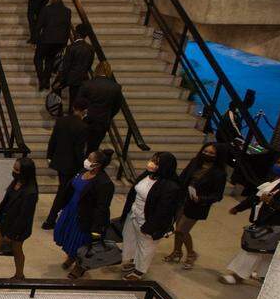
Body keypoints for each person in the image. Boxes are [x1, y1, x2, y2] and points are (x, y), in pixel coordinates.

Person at [219, 154, 280, 285]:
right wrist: (239, 208)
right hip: (266, 222)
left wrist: (274, 203)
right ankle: (263, 275)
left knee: (252, 248)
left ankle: (237, 275)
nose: (279, 166)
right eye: (278, 162)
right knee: (267, 252)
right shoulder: (274, 180)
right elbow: (256, 197)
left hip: (277, 226)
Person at [165, 142, 230, 269]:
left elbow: (217, 195)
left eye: (211, 153)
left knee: (182, 230)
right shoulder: (195, 162)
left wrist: (201, 199)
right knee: (178, 229)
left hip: (197, 205)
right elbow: (183, 177)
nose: (207, 154)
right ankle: (177, 251)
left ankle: (191, 254)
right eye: (205, 151)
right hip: (183, 200)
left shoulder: (219, 173)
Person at [119, 152, 182, 281]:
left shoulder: (170, 186)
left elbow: (163, 211)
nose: (151, 163)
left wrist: (149, 226)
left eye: (156, 162)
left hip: (149, 220)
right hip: (134, 214)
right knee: (131, 239)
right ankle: (133, 261)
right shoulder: (147, 175)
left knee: (146, 246)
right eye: (152, 160)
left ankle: (139, 271)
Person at [55, 149, 115, 279]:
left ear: (97, 164)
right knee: (68, 236)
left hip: (85, 217)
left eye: (90, 159)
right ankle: (71, 256)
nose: (86, 161)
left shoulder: (104, 183)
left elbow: (102, 207)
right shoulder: (83, 172)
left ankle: (80, 266)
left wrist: (97, 227)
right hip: (71, 210)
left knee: (81, 243)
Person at [0, 157, 38, 279]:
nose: (13, 170)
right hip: (5, 221)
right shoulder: (16, 182)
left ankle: (19, 275)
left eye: (16, 169)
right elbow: (6, 202)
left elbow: (24, 216)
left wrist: (11, 234)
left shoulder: (30, 192)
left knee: (16, 249)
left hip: (18, 227)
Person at [42, 97, 90, 229]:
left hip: (59, 160)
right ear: (85, 111)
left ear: (73, 108)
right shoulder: (83, 127)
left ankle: (58, 217)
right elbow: (78, 149)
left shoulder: (61, 121)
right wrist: (82, 166)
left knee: (65, 190)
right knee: (63, 191)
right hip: (71, 164)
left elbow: (53, 140)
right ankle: (51, 219)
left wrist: (50, 156)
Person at [77, 62, 123, 153]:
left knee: (79, 143)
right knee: (93, 147)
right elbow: (117, 105)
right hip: (102, 120)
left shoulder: (87, 84)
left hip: (86, 118)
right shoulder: (115, 87)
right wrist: (109, 115)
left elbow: (78, 101)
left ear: (96, 70)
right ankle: (88, 164)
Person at [34, 0, 71, 91]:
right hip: (60, 41)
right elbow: (67, 28)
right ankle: (46, 80)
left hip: (46, 39)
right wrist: (65, 42)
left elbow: (39, 26)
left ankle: (42, 79)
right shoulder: (67, 11)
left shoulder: (46, 9)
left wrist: (36, 38)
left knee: (38, 58)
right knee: (50, 60)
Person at [56, 23, 96, 111]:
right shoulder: (90, 48)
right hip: (84, 78)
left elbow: (66, 66)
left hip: (72, 79)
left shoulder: (71, 47)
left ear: (76, 33)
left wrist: (61, 80)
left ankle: (63, 112)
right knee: (80, 101)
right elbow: (89, 64)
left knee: (72, 100)